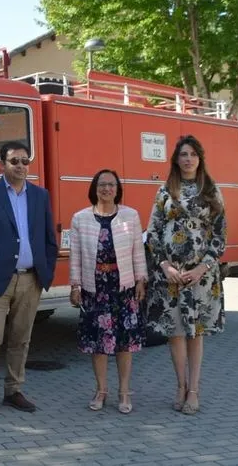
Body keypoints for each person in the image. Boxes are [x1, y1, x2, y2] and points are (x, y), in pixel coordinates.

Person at [0, 140, 58, 415]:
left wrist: (46, 272)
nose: (20, 166)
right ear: (2, 164)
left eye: (24, 161)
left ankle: (14, 390)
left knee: (21, 339)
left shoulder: (40, 196)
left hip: (30, 280)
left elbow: (48, 239)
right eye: (14, 161)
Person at [145, 135, 227, 415]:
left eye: (192, 153)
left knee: (196, 332)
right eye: (183, 154)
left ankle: (194, 390)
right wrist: (165, 266)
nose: (188, 158)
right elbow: (153, 233)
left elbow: (219, 236)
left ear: (199, 158)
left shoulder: (211, 191)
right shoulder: (165, 191)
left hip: (200, 276)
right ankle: (179, 386)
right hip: (170, 276)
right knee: (176, 332)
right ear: (176, 159)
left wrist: (202, 267)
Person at [68, 169, 148, 414]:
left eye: (111, 185)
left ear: (117, 188)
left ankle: (124, 392)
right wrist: (75, 285)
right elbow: (76, 256)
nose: (106, 189)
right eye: (102, 184)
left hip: (123, 287)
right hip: (95, 289)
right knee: (98, 344)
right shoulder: (80, 218)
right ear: (94, 188)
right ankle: (101, 390)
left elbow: (137, 251)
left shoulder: (130, 216)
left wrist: (141, 280)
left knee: (124, 343)